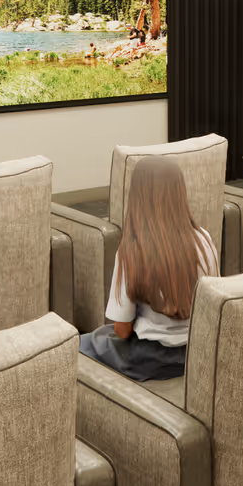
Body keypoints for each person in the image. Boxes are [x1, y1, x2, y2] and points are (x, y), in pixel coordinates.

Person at [78, 155, 217, 381]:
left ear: (138, 197)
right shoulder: (204, 239)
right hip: (196, 351)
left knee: (83, 343)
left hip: (150, 359)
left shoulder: (133, 249)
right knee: (101, 336)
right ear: (180, 192)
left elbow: (122, 330)